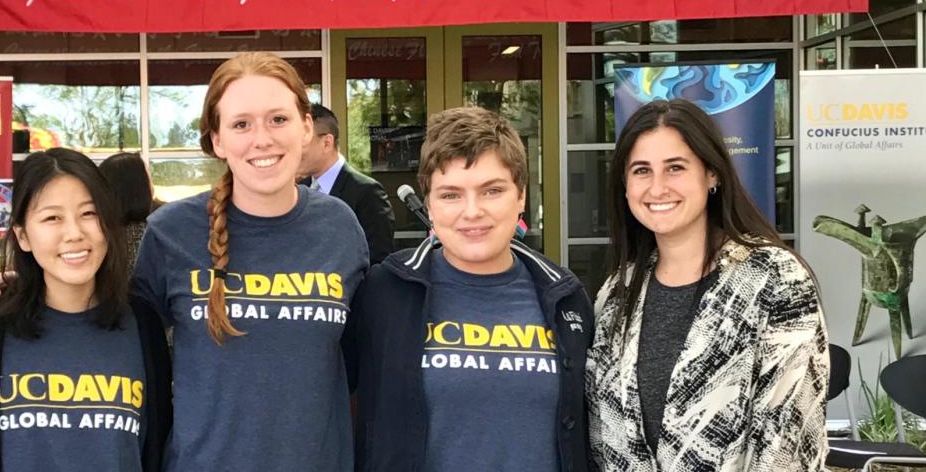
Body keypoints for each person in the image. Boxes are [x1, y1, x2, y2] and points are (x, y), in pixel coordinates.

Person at [0, 52, 369, 472]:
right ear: (217, 139)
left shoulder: (339, 228)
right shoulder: (172, 231)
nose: (261, 138)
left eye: (278, 119)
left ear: (307, 127)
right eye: (241, 124)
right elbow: (106, 325)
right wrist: (21, 287)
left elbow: (359, 359)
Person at [586, 99, 828, 471]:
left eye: (676, 168)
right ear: (624, 183)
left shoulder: (774, 281)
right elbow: (603, 436)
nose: (657, 187)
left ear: (712, 174)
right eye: (641, 170)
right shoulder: (617, 293)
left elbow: (788, 442)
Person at [347, 106, 593, 472]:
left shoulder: (566, 299)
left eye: (491, 190)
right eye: (450, 195)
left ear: (521, 196)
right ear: (428, 202)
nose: (472, 211)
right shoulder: (385, 293)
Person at [0, 148, 171, 472]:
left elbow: (162, 447)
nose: (74, 233)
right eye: (52, 218)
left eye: (89, 213)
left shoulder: (142, 325)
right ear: (23, 235)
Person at [298, 103, 396, 263]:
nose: (294, 150)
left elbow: (378, 259)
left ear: (327, 143)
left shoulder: (367, 192)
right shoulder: (300, 188)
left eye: (302, 142)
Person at [99, 152, 164, 268]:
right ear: (139, 185)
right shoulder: (157, 232)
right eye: (148, 176)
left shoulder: (101, 235)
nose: (151, 182)